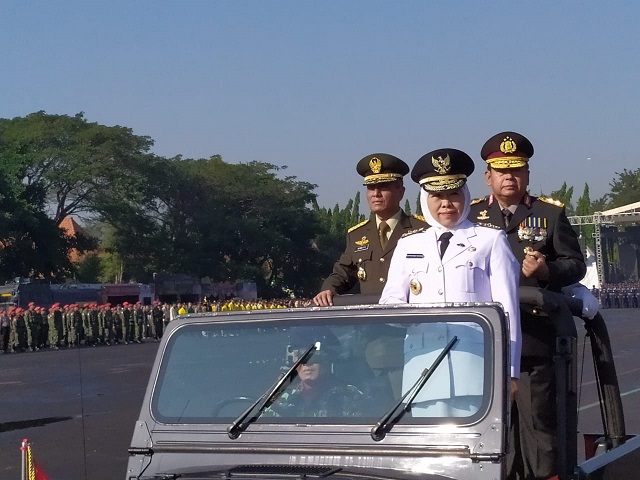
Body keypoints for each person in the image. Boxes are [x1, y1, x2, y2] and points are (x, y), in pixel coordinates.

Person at [469, 131, 586, 480]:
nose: (510, 177)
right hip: (486, 341)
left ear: (528, 174)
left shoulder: (548, 214)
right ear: (488, 176)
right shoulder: (472, 216)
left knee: (538, 425)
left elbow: (575, 263)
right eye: (501, 170)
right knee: (491, 430)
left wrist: (547, 269)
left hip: (534, 337)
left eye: (517, 170)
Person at [380, 148, 521, 417]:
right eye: (437, 196)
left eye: (453, 194)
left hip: (474, 367)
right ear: (425, 198)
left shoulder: (490, 240)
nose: (446, 203)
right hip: (422, 369)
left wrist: (511, 372)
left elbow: (508, 312)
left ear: (465, 196)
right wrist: (406, 315)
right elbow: (390, 301)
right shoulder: (408, 244)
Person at [313, 153, 427, 306]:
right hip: (372, 322)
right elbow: (343, 272)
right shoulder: (357, 235)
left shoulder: (422, 229)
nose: (376, 194)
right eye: (371, 187)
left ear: (401, 191)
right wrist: (328, 289)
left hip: (411, 318)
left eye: (383, 187)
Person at [267, 327, 363, 418]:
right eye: (299, 356)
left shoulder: (349, 396)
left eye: (315, 356)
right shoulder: (283, 397)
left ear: (329, 359)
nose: (306, 363)